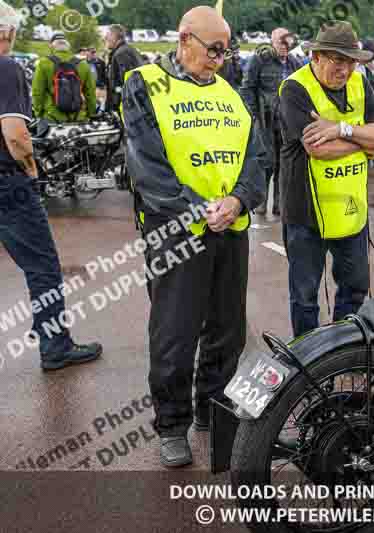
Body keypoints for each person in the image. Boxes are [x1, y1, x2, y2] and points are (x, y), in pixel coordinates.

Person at [121, 6, 266, 467]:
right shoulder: (143, 83)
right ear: (184, 40)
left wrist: (240, 200)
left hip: (229, 227)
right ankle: (172, 424)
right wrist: (198, 208)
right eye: (213, 49)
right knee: (175, 334)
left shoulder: (231, 92)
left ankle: (213, 410)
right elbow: (147, 166)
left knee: (227, 331)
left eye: (227, 50)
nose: (221, 59)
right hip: (177, 231)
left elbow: (256, 158)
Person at [0, 4, 102, 371]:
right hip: (8, 182)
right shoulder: (6, 66)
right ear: (8, 32)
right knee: (43, 267)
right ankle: (55, 345)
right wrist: (29, 169)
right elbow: (15, 134)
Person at [278, 20, 374, 337]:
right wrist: (364, 145)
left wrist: (341, 129)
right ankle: (306, 360)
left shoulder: (359, 83)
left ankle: (341, 352)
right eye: (339, 60)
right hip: (306, 214)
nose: (346, 69)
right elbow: (318, 149)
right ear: (316, 57)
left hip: (351, 211)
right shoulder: (295, 89)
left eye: (352, 61)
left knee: (355, 289)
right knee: (305, 298)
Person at [242, 27, 303, 217]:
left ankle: (279, 204)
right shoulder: (259, 59)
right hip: (265, 120)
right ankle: (260, 203)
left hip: (287, 123)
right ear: (272, 42)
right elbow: (247, 88)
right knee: (266, 162)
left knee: (284, 164)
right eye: (280, 42)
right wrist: (253, 116)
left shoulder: (295, 63)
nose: (285, 46)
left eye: (288, 43)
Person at [31, 33, 96, 122]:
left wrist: (38, 113)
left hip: (52, 117)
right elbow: (90, 92)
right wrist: (90, 113)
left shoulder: (44, 63)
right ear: (68, 46)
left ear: (52, 46)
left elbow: (37, 92)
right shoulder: (83, 64)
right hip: (79, 117)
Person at [105, 24, 146, 112]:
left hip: (128, 106)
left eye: (108, 35)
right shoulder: (126, 50)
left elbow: (128, 81)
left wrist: (119, 104)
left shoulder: (122, 53)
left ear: (115, 36)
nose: (105, 38)